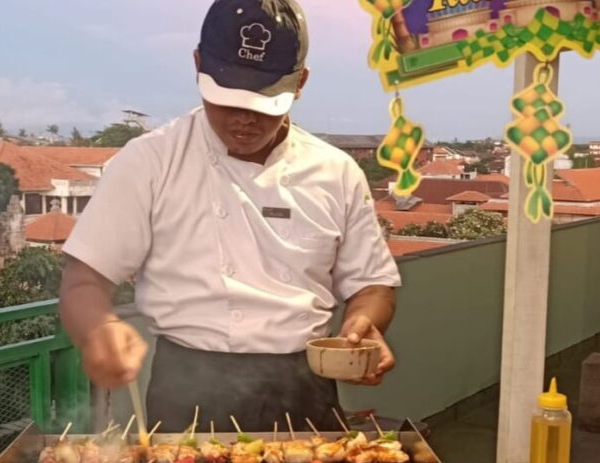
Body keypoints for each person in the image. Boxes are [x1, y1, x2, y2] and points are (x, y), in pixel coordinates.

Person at [59, 0, 401, 433]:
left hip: (303, 386)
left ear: (301, 83)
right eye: (226, 95)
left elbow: (373, 283)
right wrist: (97, 328)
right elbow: (83, 279)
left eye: (263, 99)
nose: (243, 116)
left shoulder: (336, 171)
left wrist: (362, 322)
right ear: (198, 64)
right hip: (186, 388)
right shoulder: (149, 161)